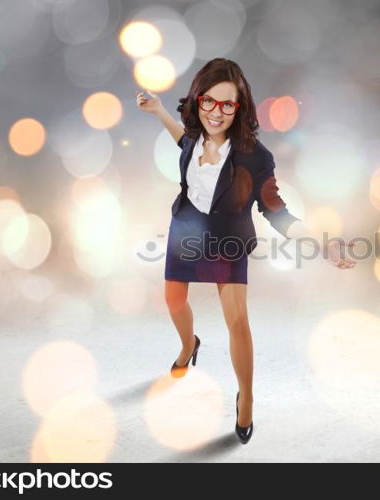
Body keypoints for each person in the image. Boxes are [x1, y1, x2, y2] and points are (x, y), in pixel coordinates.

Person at [136, 58, 356, 445]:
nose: (216, 113)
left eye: (227, 104)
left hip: (227, 239)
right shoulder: (193, 137)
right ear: (198, 100)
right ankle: (189, 345)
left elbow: (276, 211)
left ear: (240, 108)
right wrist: (156, 111)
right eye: (209, 102)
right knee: (172, 301)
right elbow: (183, 142)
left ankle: (246, 399)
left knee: (237, 321)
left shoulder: (256, 157)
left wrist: (322, 244)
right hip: (185, 229)